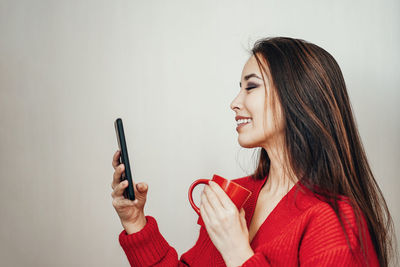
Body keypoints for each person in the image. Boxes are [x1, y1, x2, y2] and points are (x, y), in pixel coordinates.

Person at [110, 37, 396, 266]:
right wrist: (135, 222)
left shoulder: (334, 220)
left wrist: (237, 251)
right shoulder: (237, 196)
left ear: (298, 97)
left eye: (251, 87)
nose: (234, 103)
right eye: (240, 89)